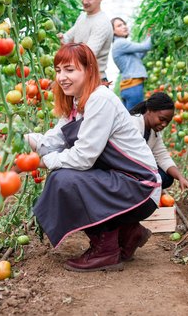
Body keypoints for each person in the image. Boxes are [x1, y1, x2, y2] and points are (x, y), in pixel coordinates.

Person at [17, 43, 161, 272]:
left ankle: (106, 251)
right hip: (121, 182)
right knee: (65, 175)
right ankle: (128, 233)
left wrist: (38, 162)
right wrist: (18, 140)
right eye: (58, 70)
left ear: (89, 70)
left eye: (69, 70)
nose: (61, 77)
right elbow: (52, 140)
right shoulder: (78, 103)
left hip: (139, 186)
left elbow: (83, 158)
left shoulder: (99, 100)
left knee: (63, 180)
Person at [130, 92, 188, 197]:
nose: (164, 124)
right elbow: (130, 158)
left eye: (167, 122)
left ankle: (142, 193)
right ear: (149, 110)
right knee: (155, 178)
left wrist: (181, 177)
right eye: (161, 119)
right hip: (124, 170)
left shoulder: (154, 132)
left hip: (137, 171)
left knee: (167, 177)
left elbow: (162, 156)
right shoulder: (133, 125)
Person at [58, 0, 113, 82]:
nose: (84, 1)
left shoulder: (102, 23)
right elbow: (67, 38)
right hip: (81, 79)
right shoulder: (83, 16)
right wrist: (60, 37)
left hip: (95, 81)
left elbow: (87, 56)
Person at [111, 17, 152, 110]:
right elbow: (146, 46)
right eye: (119, 25)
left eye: (124, 24)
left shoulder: (119, 45)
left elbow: (139, 55)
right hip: (133, 86)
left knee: (130, 118)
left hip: (128, 87)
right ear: (113, 31)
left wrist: (147, 36)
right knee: (135, 118)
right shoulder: (120, 43)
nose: (124, 27)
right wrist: (152, 33)